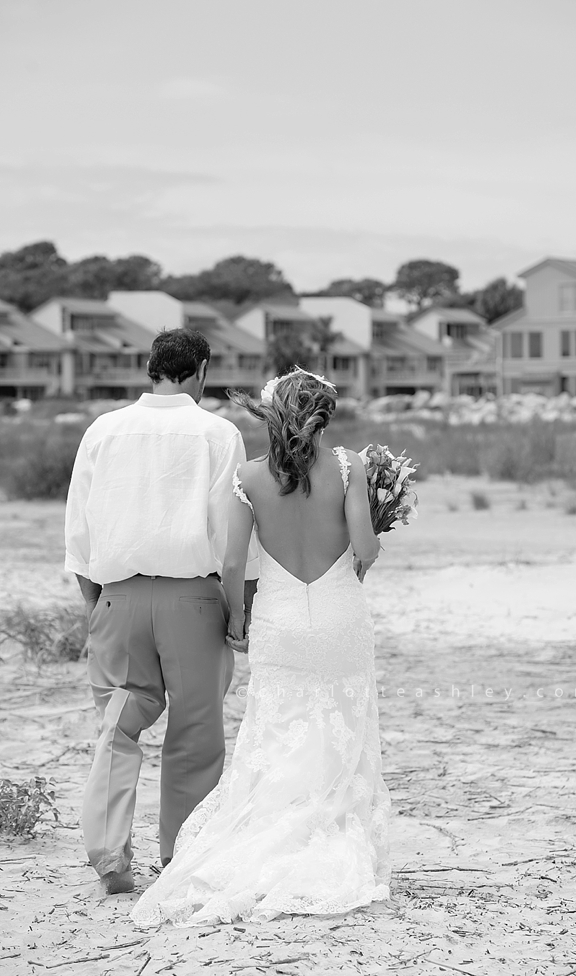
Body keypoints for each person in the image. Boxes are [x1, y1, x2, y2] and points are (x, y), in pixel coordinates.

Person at [131, 367, 390, 927]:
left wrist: (236, 619)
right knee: (341, 725)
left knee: (275, 730)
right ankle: (327, 836)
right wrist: (365, 553)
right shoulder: (350, 466)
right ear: (326, 414)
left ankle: (268, 838)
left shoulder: (248, 477)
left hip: (278, 617)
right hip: (340, 614)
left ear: (272, 416)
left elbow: (230, 563)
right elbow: (364, 544)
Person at [64, 329, 259, 895]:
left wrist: (98, 604)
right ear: (199, 370)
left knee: (118, 726)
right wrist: (238, 611)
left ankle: (110, 858)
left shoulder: (102, 429)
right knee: (196, 732)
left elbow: (79, 529)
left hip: (117, 595)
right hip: (193, 599)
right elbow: (231, 535)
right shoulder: (218, 433)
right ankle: (181, 858)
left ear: (151, 369)